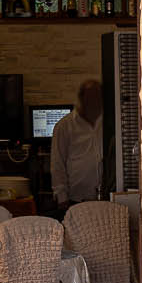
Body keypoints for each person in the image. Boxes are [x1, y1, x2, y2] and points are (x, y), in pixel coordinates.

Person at [49, 78, 105, 210]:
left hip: (104, 197)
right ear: (82, 99)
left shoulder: (107, 122)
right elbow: (57, 163)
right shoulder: (64, 126)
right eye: (91, 99)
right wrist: (61, 196)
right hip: (76, 198)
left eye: (97, 99)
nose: (94, 104)